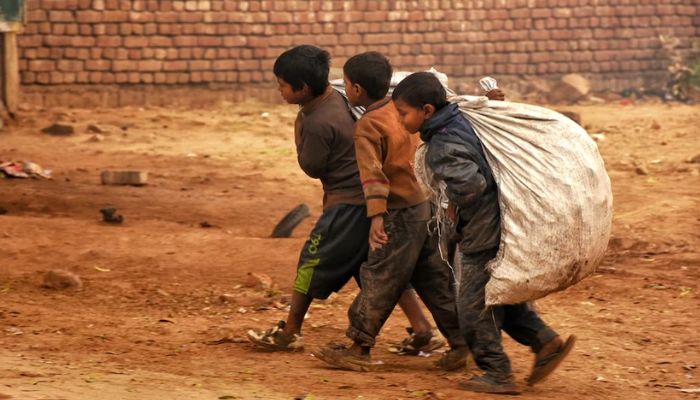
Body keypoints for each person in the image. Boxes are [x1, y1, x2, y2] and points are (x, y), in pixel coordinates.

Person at [246, 45, 444, 355]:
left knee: (311, 261)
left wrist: (299, 131)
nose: (279, 90)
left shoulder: (316, 121)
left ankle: (290, 331)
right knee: (373, 266)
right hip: (371, 201)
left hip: (348, 205)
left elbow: (312, 167)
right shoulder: (338, 96)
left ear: (303, 88)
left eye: (283, 85)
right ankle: (422, 330)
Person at [391, 71, 576, 395]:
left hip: (482, 230)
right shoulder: (462, 117)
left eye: (404, 113)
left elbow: (471, 185)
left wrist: (453, 205)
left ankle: (497, 372)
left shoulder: (442, 143)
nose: (400, 119)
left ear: (427, 111)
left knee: (472, 304)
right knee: (495, 293)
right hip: (504, 222)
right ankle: (545, 341)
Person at [313, 52, 469, 372]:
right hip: (424, 205)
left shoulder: (368, 125)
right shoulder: (403, 110)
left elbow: (374, 176)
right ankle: (462, 343)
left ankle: (359, 346)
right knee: (434, 279)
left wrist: (376, 217)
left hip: (399, 212)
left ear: (355, 90)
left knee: (381, 275)